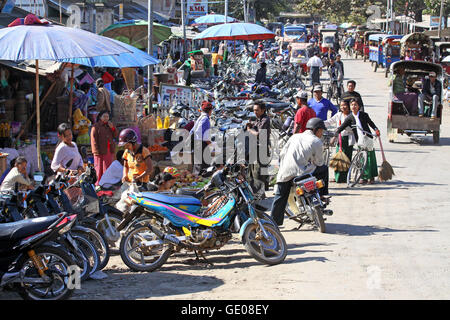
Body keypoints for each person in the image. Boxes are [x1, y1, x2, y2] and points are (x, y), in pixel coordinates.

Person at [270, 118, 326, 226]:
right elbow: (319, 162)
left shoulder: (295, 136)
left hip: (285, 171)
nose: (322, 133)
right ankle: (322, 194)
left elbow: (282, 153)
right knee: (324, 168)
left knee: (280, 196)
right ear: (316, 130)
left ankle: (273, 223)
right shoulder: (316, 141)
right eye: (321, 131)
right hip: (302, 173)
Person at [332, 99, 380, 184]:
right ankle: (364, 177)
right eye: (352, 105)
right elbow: (341, 127)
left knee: (369, 158)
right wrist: (335, 135)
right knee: (361, 159)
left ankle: (371, 177)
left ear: (358, 106)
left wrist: (376, 129)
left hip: (367, 138)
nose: (353, 107)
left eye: (355, 105)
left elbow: (371, 123)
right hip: (359, 140)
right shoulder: (349, 118)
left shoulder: (364, 115)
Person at [324, 100, 355, 183]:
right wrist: (320, 123)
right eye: (341, 106)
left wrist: (342, 128)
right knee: (338, 159)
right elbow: (329, 122)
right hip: (339, 140)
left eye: (344, 105)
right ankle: (338, 177)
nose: (343, 107)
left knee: (346, 159)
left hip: (348, 140)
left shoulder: (352, 116)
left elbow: (353, 129)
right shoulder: (338, 115)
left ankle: (345, 178)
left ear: (348, 106)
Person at [246, 100, 271, 198]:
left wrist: (249, 130)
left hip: (261, 149)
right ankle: (260, 192)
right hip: (256, 148)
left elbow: (258, 134)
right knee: (255, 171)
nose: (255, 112)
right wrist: (251, 125)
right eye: (254, 110)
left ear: (263, 110)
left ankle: (260, 194)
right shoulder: (258, 119)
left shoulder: (265, 120)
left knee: (258, 172)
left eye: (257, 110)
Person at [90, 111, 118, 185]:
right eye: (104, 116)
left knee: (108, 167)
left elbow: (115, 135)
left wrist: (113, 128)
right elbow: (93, 140)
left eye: (107, 117)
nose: (106, 118)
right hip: (99, 151)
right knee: (99, 167)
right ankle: (98, 183)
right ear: (100, 117)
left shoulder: (110, 125)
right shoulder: (95, 126)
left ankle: (106, 182)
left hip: (109, 150)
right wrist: (95, 151)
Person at [190, 101, 213, 175]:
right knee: (203, 167)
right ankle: (201, 182)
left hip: (197, 144)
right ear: (210, 110)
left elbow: (192, 131)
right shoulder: (205, 119)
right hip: (202, 145)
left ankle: (196, 181)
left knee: (197, 165)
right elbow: (205, 137)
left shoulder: (200, 118)